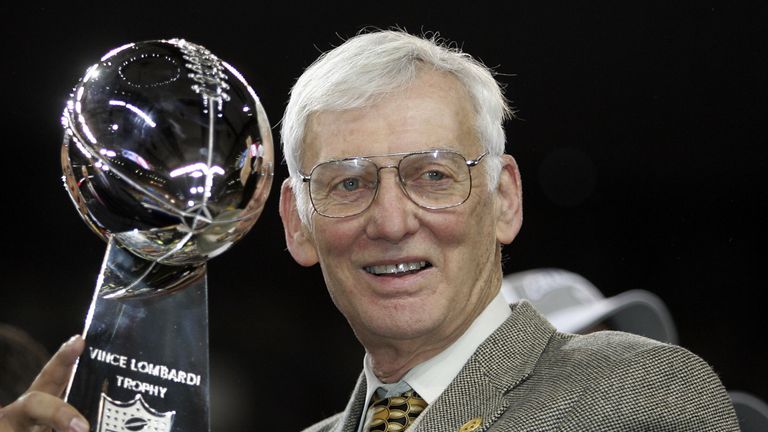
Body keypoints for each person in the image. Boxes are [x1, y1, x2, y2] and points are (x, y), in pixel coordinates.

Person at [0, 29, 739, 432]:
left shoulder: (639, 394)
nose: (391, 220)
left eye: (434, 174)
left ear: (505, 200)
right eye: (348, 184)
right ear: (296, 225)